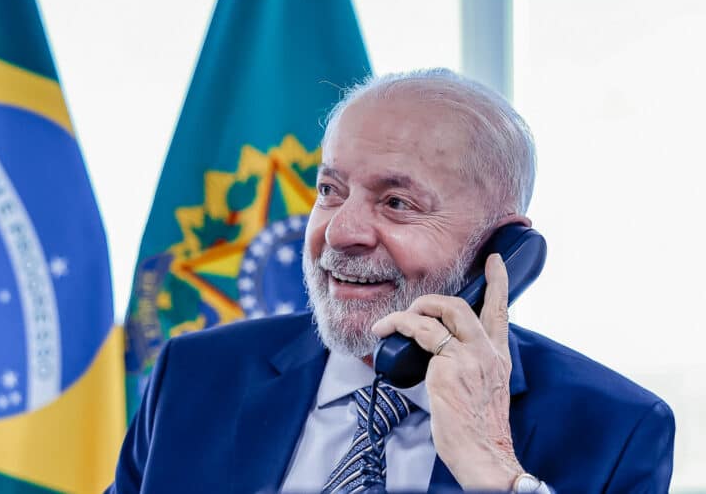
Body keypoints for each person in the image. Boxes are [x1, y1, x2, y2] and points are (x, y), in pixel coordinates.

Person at [108, 69, 675, 493]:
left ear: (500, 248)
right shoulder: (194, 375)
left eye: (397, 202)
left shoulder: (615, 428)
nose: (340, 232)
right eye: (330, 191)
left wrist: (495, 469)